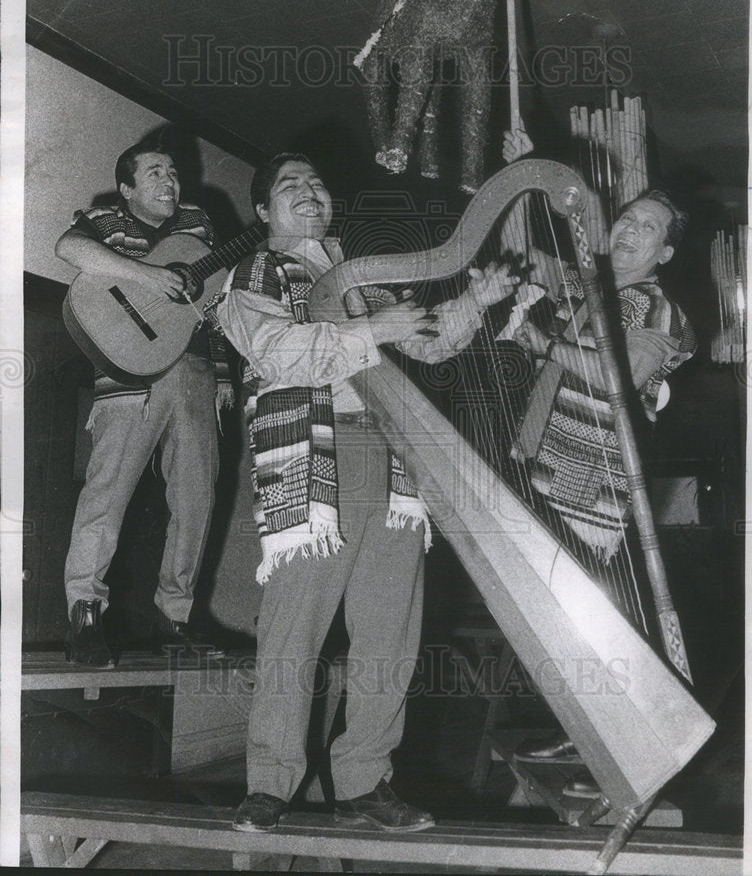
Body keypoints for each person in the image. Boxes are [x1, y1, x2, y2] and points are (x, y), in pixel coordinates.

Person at [216, 152, 516, 833]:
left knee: (390, 636)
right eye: (289, 184)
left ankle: (364, 782)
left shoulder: (360, 275)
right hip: (314, 455)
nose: (309, 191)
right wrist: (375, 331)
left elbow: (427, 344)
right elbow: (277, 352)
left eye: (317, 181)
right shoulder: (253, 276)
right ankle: (270, 783)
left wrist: (475, 300)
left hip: (394, 455)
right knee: (294, 632)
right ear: (264, 212)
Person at [498, 128, 697, 767]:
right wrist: (524, 175)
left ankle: (611, 738)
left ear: (664, 253)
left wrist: (542, 344)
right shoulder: (589, 289)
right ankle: (588, 734)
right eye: (628, 218)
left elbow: (621, 378)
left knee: (585, 613)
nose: (630, 230)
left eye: (647, 229)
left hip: (593, 480)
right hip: (546, 464)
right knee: (558, 613)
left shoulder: (654, 306)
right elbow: (519, 250)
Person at [57, 138, 231, 667]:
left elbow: (216, 298)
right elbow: (69, 248)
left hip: (196, 370)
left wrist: (224, 375)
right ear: (128, 188)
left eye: (174, 171)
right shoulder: (108, 222)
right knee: (106, 496)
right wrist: (150, 275)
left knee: (197, 497)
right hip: (127, 372)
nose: (169, 180)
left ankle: (175, 618)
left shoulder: (199, 225)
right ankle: (85, 614)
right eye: (155, 171)